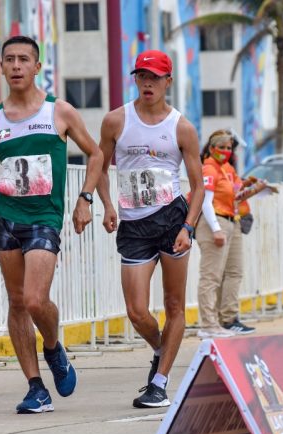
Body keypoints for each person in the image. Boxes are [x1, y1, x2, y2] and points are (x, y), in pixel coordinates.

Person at [0, 35, 104, 414]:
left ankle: (53, 346)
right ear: (0, 67)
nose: (15, 66)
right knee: (16, 302)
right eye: (9, 59)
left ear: (37, 66)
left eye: (23, 59)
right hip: (6, 218)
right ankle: (35, 388)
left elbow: (96, 154)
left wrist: (85, 198)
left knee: (34, 299)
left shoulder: (58, 112)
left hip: (44, 218)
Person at [96, 49, 204, 408]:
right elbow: (99, 163)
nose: (148, 82)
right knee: (137, 311)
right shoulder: (116, 121)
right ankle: (161, 349)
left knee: (174, 304)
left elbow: (199, 186)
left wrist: (188, 227)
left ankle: (160, 382)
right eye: (142, 75)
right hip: (133, 224)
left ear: (168, 82)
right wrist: (107, 204)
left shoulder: (181, 127)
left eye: (155, 77)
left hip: (172, 218)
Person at [196, 129, 270, 338]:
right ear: (211, 149)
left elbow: (235, 195)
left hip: (231, 219)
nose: (226, 151)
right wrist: (216, 229)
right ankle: (209, 323)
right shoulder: (210, 169)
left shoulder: (225, 168)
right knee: (211, 276)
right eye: (221, 147)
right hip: (216, 222)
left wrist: (254, 189)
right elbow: (205, 202)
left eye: (229, 148)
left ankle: (225, 319)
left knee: (233, 272)